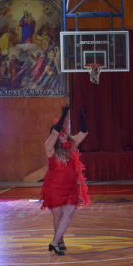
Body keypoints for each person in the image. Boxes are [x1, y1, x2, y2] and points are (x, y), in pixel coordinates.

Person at [40, 106, 90, 255]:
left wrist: (81, 117)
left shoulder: (71, 146)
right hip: (54, 187)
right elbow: (55, 132)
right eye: (62, 134)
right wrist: (63, 115)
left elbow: (84, 132)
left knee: (68, 213)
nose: (65, 135)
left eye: (65, 132)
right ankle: (59, 241)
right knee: (58, 216)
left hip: (69, 187)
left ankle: (54, 242)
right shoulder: (50, 148)